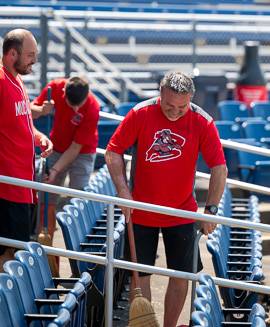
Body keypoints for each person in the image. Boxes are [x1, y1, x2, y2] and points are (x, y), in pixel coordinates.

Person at [105, 71, 227, 327]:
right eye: (169, 105)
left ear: (191, 99)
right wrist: (123, 192)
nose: (174, 112)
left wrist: (211, 210)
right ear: (159, 94)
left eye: (182, 107)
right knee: (142, 277)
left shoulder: (201, 120)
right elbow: (113, 151)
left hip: (182, 211)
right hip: (141, 209)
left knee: (181, 275)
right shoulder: (141, 113)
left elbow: (219, 167)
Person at [0, 29, 53, 271]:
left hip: (23, 184)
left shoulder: (17, 79)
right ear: (12, 54)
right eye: (30, 55)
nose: (34, 60)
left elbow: (21, 119)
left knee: (16, 249)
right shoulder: (1, 82)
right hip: (7, 187)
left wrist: (39, 137)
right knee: (8, 251)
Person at [31, 76, 100, 238]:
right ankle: (45, 244)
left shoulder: (93, 107)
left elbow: (75, 148)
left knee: (77, 202)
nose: (76, 109)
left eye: (79, 105)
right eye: (72, 105)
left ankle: (77, 244)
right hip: (56, 147)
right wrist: (42, 110)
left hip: (83, 152)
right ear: (63, 93)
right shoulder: (54, 88)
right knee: (46, 200)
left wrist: (55, 169)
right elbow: (29, 110)